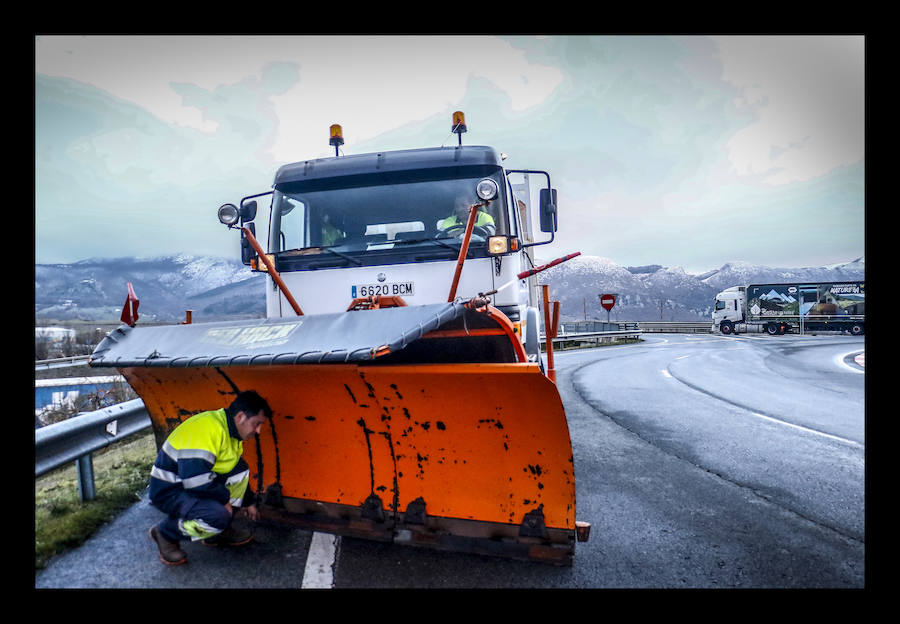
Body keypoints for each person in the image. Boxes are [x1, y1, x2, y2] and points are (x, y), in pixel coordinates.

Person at [147, 390, 272, 566]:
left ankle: (217, 532)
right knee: (217, 515)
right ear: (242, 417)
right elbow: (195, 480)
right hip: (170, 490)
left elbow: (233, 469)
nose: (258, 431)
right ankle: (165, 533)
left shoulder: (230, 433)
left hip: (189, 485)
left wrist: (248, 501)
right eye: (257, 424)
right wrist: (224, 501)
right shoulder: (208, 429)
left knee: (240, 469)